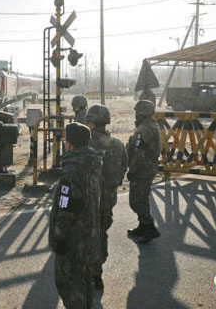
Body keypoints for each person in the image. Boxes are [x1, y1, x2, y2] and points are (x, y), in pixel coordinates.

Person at [49, 122, 102, 308]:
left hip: (73, 241)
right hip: (90, 235)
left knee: (69, 285)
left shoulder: (71, 171)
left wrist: (59, 237)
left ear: (69, 143)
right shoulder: (92, 164)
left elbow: (65, 209)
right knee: (85, 282)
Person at [86, 104, 128, 291]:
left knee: (85, 234)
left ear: (92, 123)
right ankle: (97, 272)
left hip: (88, 200)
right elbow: (123, 167)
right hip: (108, 199)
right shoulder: (117, 144)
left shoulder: (86, 143)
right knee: (101, 232)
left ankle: (86, 271)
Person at [126, 100, 161, 244]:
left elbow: (139, 152)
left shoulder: (145, 129)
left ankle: (150, 228)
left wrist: (132, 170)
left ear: (141, 112)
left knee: (136, 201)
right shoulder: (151, 125)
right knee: (142, 198)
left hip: (143, 169)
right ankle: (143, 226)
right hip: (148, 167)